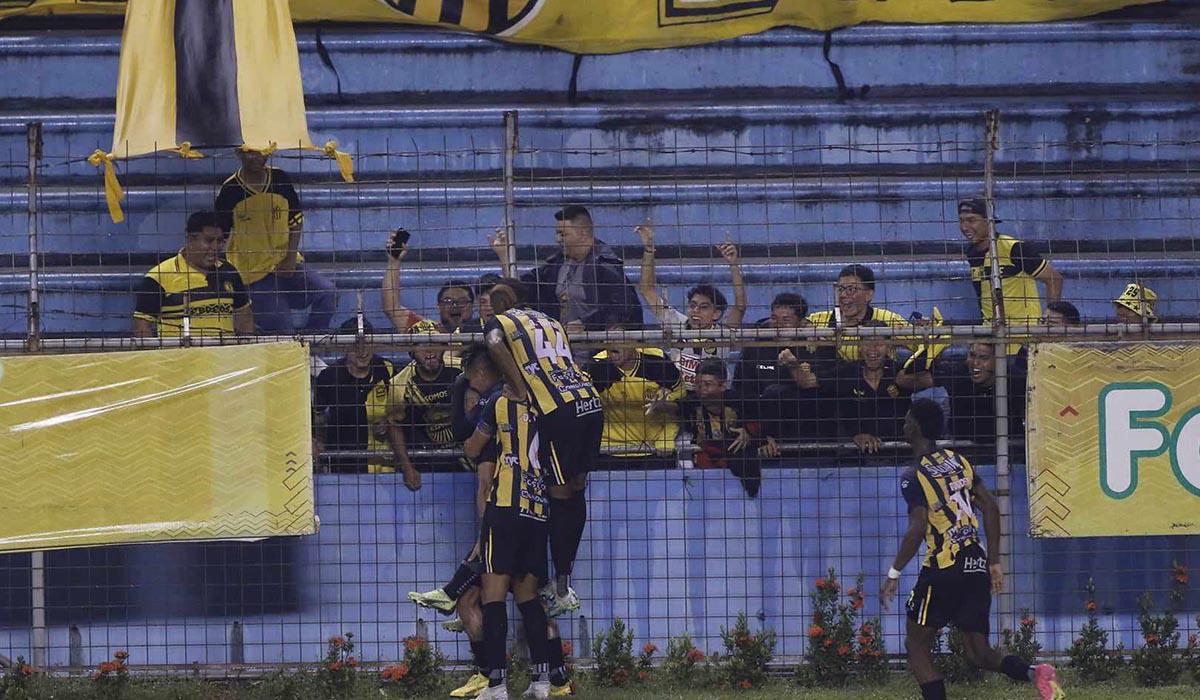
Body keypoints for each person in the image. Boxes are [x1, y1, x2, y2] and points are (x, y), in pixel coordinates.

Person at [880, 399, 1064, 700]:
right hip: (975, 564)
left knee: (916, 646)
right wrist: (993, 562)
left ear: (913, 428)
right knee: (978, 652)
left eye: (906, 420)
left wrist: (894, 572)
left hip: (942, 567)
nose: (903, 425)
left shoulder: (913, 476)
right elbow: (990, 507)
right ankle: (1035, 673)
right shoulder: (957, 460)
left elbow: (917, 528)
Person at [484, 278, 604, 617]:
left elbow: (494, 342)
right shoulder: (549, 322)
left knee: (558, 493)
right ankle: (563, 581)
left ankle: (558, 588)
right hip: (587, 401)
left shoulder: (502, 322)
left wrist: (519, 388)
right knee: (576, 488)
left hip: (557, 410)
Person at [215, 147, 335, 332]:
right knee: (283, 329)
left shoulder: (280, 179)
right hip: (252, 272)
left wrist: (290, 257)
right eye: (250, 152)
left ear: (269, 152)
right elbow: (220, 233)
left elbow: (296, 221)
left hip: (285, 262)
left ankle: (312, 344)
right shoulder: (230, 190)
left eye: (261, 151)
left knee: (327, 293)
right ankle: (293, 351)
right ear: (239, 154)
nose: (256, 157)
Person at [489, 206, 641, 331]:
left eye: (563, 234)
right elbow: (522, 288)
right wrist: (504, 255)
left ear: (582, 234)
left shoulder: (606, 265)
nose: (557, 240)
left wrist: (586, 324)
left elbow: (622, 308)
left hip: (598, 355)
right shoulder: (556, 265)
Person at [635, 222, 746, 388]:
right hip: (681, 395)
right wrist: (649, 250)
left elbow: (740, 306)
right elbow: (646, 289)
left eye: (703, 307)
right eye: (693, 305)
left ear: (716, 314)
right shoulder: (676, 321)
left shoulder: (722, 333)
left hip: (715, 396)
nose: (695, 311)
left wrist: (733, 265)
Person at [311, 318, 420, 487]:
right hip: (344, 466)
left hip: (384, 466)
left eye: (366, 344)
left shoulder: (387, 369)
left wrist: (387, 421)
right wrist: (319, 443)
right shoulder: (329, 377)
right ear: (344, 346)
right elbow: (316, 416)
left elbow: (402, 411)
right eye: (355, 345)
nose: (362, 351)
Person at [958, 198, 1063, 352]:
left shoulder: (1014, 248)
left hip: (1024, 341)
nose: (964, 227)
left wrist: (1048, 322)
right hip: (993, 340)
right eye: (961, 221)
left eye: (971, 220)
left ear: (989, 221)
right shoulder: (972, 253)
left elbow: (1054, 279)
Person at [649, 358, 763, 497]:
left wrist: (749, 432)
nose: (701, 388)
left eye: (708, 384)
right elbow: (677, 406)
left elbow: (763, 418)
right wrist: (660, 406)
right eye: (698, 383)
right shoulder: (693, 402)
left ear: (722, 385)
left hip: (738, 462)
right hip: (706, 461)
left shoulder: (739, 401)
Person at [133, 211, 254, 337]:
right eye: (209, 241)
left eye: (219, 241)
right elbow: (142, 326)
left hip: (223, 356)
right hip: (181, 356)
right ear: (191, 240)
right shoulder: (159, 276)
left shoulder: (229, 271)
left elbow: (244, 317)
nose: (215, 247)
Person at [584, 319, 685, 463]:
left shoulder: (657, 360)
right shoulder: (596, 366)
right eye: (606, 340)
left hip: (653, 450)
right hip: (608, 451)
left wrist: (666, 437)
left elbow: (680, 402)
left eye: (617, 340)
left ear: (634, 340)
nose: (610, 346)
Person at [831, 324, 927, 454]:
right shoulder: (844, 374)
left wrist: (927, 333)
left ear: (889, 347)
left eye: (879, 343)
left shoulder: (901, 373)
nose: (873, 349)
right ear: (859, 346)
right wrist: (855, 435)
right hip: (855, 455)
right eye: (867, 342)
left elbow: (932, 375)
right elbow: (811, 383)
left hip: (899, 452)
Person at [389, 319, 467, 472]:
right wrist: (407, 468)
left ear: (443, 346)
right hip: (424, 461)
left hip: (466, 456)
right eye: (422, 344)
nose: (429, 350)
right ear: (411, 352)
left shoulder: (463, 370)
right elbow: (394, 427)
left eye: (434, 342)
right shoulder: (399, 384)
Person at [806, 264, 912, 362]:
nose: (842, 295)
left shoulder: (889, 319)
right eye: (840, 289)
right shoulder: (816, 320)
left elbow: (924, 344)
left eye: (851, 289)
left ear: (869, 295)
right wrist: (805, 325)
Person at [381, 228, 477, 332]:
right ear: (439, 306)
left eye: (462, 301)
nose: (455, 306)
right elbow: (392, 309)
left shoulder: (487, 331)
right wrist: (394, 261)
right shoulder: (428, 331)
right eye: (448, 301)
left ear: (473, 306)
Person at [940, 342, 1026, 444]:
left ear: (1000, 360)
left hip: (1012, 452)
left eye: (983, 358)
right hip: (964, 451)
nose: (975, 363)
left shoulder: (1019, 382)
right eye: (972, 355)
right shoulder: (957, 378)